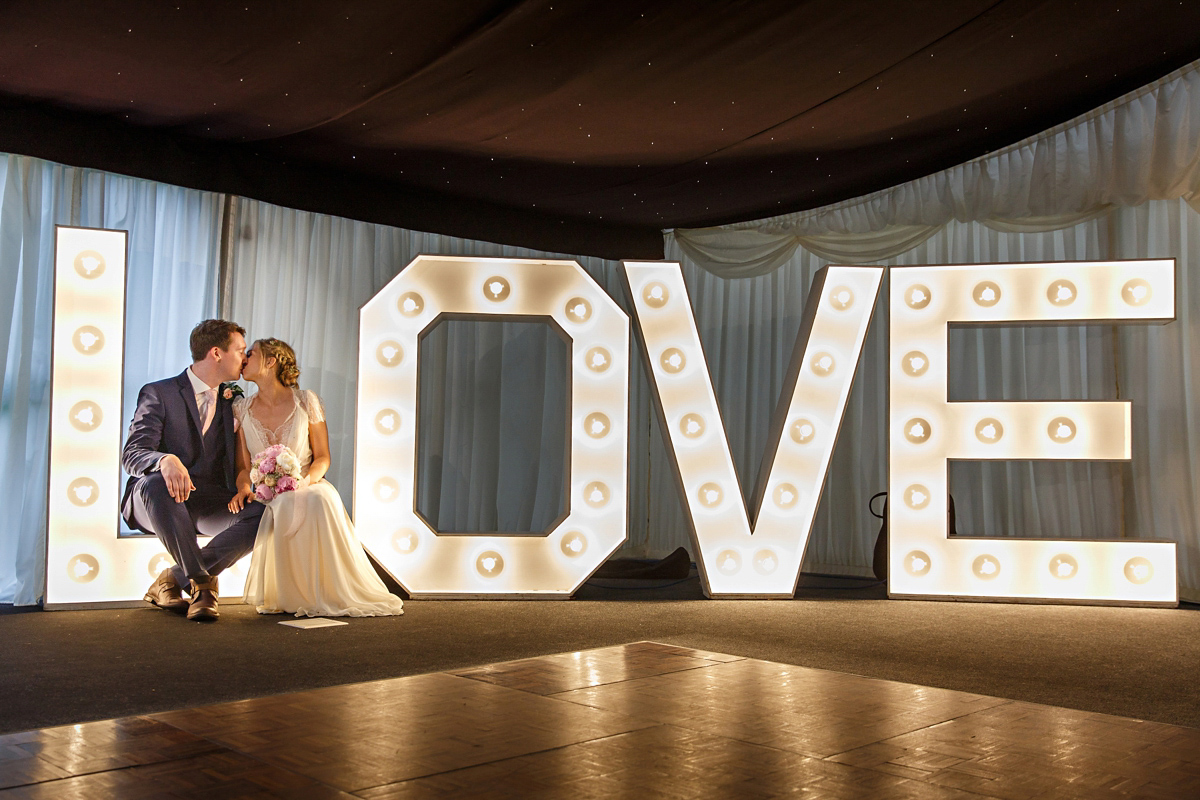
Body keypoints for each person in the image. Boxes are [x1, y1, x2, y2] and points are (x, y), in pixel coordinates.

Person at [229, 338, 404, 617]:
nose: (244, 359)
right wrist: (243, 488)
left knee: (318, 499)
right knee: (282, 504)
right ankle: (290, 593)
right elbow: (242, 466)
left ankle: (323, 591)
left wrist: (304, 481)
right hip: (267, 491)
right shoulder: (240, 409)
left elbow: (323, 456)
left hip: (308, 481)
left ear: (271, 361)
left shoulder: (306, 401)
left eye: (251, 353)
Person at [122, 319, 264, 621]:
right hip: (156, 501)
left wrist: (244, 483)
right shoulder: (159, 393)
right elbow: (131, 455)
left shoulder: (234, 400)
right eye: (240, 351)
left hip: (204, 502)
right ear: (216, 353)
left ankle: (171, 580)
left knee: (264, 512)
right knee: (156, 483)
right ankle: (202, 584)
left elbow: (240, 459)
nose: (244, 358)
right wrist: (164, 460)